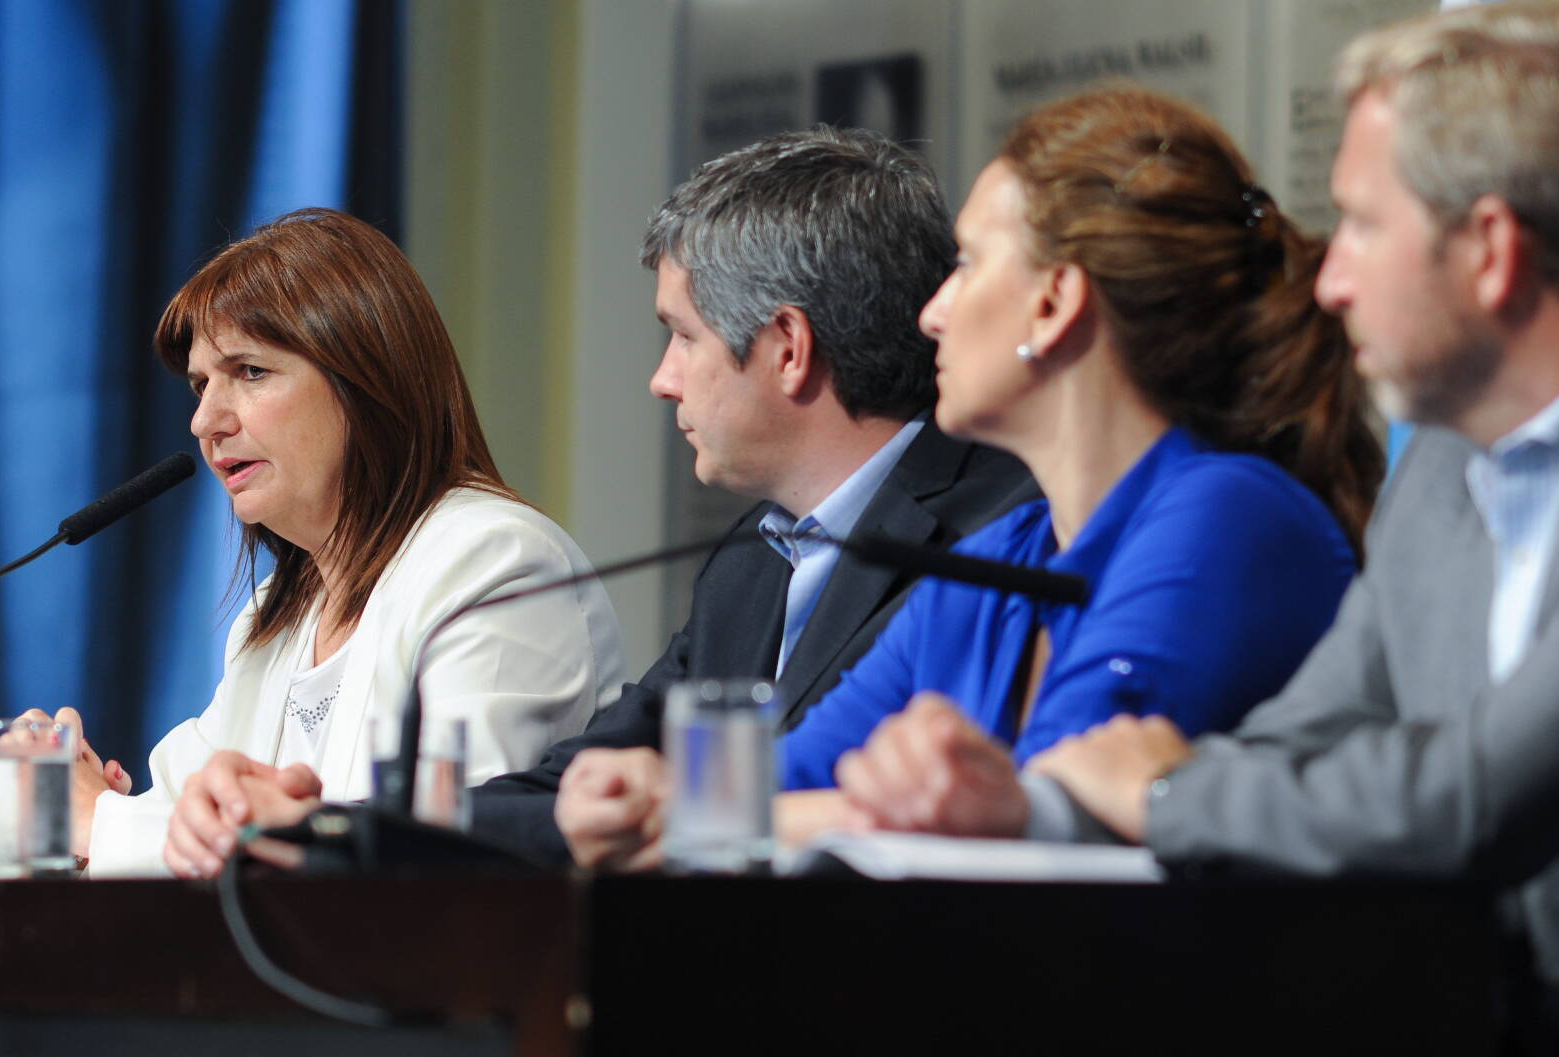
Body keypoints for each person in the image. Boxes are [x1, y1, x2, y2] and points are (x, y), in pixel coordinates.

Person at [844, 1, 1559, 1056]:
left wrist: (1163, 787)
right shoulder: (1459, 452)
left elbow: (1477, 797)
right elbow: (1301, 740)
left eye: (1364, 226)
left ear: (1488, 248)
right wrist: (1037, 808)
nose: (1327, 279)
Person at [166, 129, 1036, 873]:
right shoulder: (753, 560)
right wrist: (328, 829)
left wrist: (677, 812)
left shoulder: (1000, 529)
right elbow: (570, 785)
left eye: (681, 336)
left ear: (786, 350)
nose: (661, 382)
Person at [571, 86, 1384, 862]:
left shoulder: (1231, 516)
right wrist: (646, 791)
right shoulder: (1003, 554)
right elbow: (793, 769)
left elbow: (1053, 802)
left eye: (967, 264)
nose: (932, 311)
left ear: (1053, 303)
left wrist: (702, 811)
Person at [6, 209, 625, 878]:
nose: (205, 421)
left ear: (364, 380)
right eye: (200, 383)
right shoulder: (276, 616)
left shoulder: (496, 564)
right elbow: (178, 824)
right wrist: (70, 801)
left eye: (248, 371)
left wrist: (101, 819)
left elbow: (436, 857)